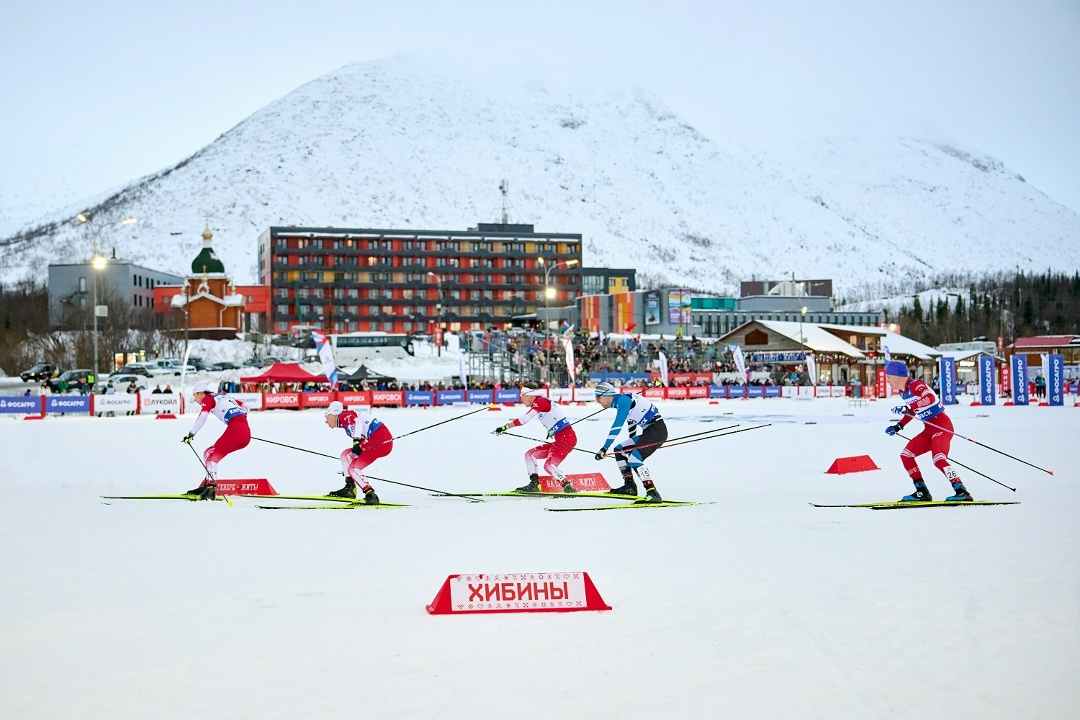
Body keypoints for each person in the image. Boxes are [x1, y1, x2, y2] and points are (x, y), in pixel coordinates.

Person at [884, 361, 972, 502]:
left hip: (942, 426)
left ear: (897, 375)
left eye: (888, 377)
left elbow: (929, 398)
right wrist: (899, 426)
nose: (887, 381)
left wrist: (906, 408)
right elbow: (913, 410)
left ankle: (961, 490)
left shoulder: (915, 385)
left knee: (938, 460)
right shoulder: (903, 392)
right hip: (929, 429)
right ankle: (922, 491)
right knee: (906, 455)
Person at [494, 382, 577, 493]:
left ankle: (567, 486)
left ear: (528, 394)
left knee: (548, 466)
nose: (521, 399)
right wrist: (552, 429)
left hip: (566, 438)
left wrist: (505, 427)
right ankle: (534, 484)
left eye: (521, 395)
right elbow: (554, 417)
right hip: (562, 437)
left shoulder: (540, 402)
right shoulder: (540, 403)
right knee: (530, 454)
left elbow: (525, 418)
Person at [592, 381, 667, 503]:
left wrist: (604, 448)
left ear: (606, 395)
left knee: (634, 459)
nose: (597, 401)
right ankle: (629, 486)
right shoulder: (621, 401)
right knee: (620, 450)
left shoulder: (623, 401)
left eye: (598, 397)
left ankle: (652, 492)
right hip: (649, 431)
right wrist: (631, 444)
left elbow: (617, 426)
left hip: (656, 431)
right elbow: (631, 422)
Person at [182, 380, 251, 500]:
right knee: (208, 453)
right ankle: (207, 483)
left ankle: (211, 488)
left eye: (194, 396)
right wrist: (241, 421)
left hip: (236, 430)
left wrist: (191, 434)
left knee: (212, 457)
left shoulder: (208, 399)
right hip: (244, 432)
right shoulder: (222, 397)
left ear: (200, 393)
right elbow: (246, 406)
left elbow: (203, 416)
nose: (195, 399)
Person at [323, 400, 390, 504]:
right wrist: (357, 447)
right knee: (345, 455)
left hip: (381, 441)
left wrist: (356, 442)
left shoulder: (344, 416)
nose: (326, 421)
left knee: (353, 468)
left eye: (326, 417)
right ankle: (350, 487)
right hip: (377, 441)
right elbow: (361, 435)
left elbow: (357, 422)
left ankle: (370, 494)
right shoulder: (345, 424)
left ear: (333, 414)